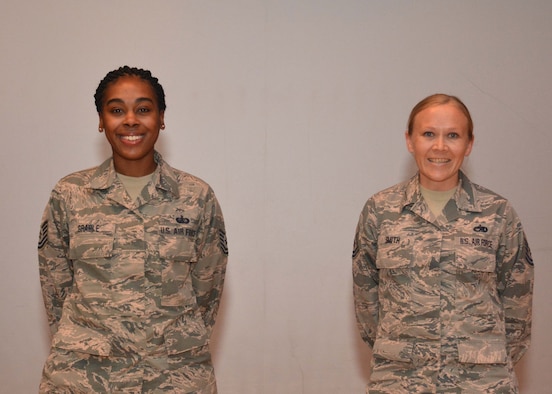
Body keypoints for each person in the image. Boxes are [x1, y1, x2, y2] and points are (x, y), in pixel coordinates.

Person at [38, 66, 228, 393]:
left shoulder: (196, 196)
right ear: (101, 120)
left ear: (161, 117)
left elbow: (207, 292)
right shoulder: (69, 194)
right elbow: (56, 287)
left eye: (143, 109)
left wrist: (171, 341)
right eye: (116, 110)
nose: (130, 120)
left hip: (173, 377)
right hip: (83, 377)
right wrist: (85, 340)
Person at [352, 93, 533, 393]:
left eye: (452, 135)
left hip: (481, 384)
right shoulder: (380, 211)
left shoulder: (498, 213)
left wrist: (482, 360)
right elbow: (367, 307)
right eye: (428, 134)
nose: (440, 147)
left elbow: (518, 311)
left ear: (469, 144)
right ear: (410, 141)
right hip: (400, 381)